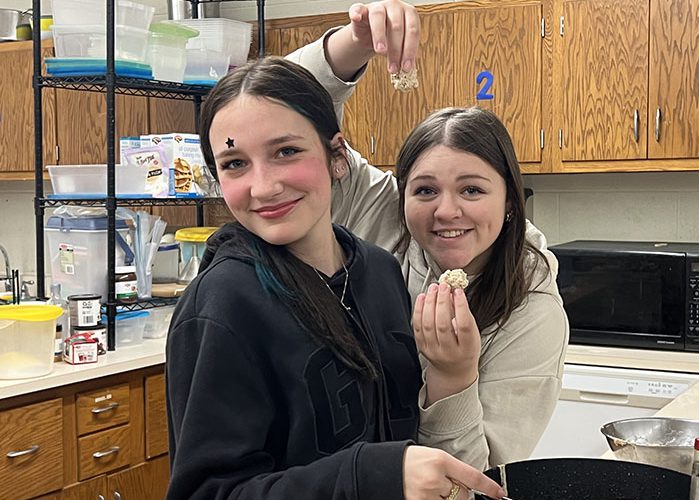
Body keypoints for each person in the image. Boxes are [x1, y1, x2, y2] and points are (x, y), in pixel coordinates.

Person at [164, 36, 508, 500]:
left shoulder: (381, 273)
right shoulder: (223, 306)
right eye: (235, 163)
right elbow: (207, 493)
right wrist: (372, 477)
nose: (263, 187)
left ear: (336, 156)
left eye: (286, 151)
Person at [286, 1, 570, 471]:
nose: (446, 211)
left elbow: (478, 478)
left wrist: (453, 376)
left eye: (473, 189)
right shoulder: (381, 213)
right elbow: (276, 105)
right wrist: (354, 45)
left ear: (510, 202)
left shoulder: (531, 310)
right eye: (424, 190)